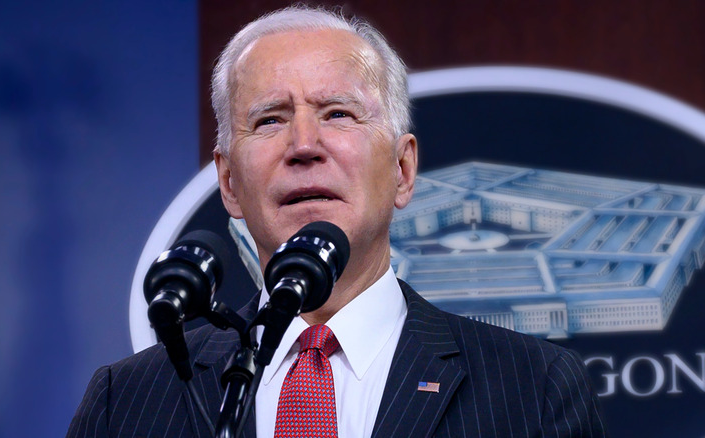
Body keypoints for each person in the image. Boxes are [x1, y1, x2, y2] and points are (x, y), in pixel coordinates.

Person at [67, 6, 606, 437]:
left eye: (338, 114)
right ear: (229, 184)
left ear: (402, 169)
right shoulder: (129, 402)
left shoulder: (532, 391)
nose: (304, 146)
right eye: (270, 119)